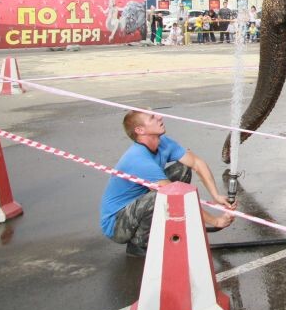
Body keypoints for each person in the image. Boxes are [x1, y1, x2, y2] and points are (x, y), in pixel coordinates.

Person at [99, 110, 236, 257]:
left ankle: (167, 225)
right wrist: (215, 221)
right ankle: (139, 244)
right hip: (117, 224)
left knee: (183, 169)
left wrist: (216, 196)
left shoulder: (163, 142)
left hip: (137, 205)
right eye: (152, 118)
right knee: (162, 195)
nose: (160, 117)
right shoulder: (138, 160)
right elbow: (176, 196)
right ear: (140, 130)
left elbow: (196, 163)